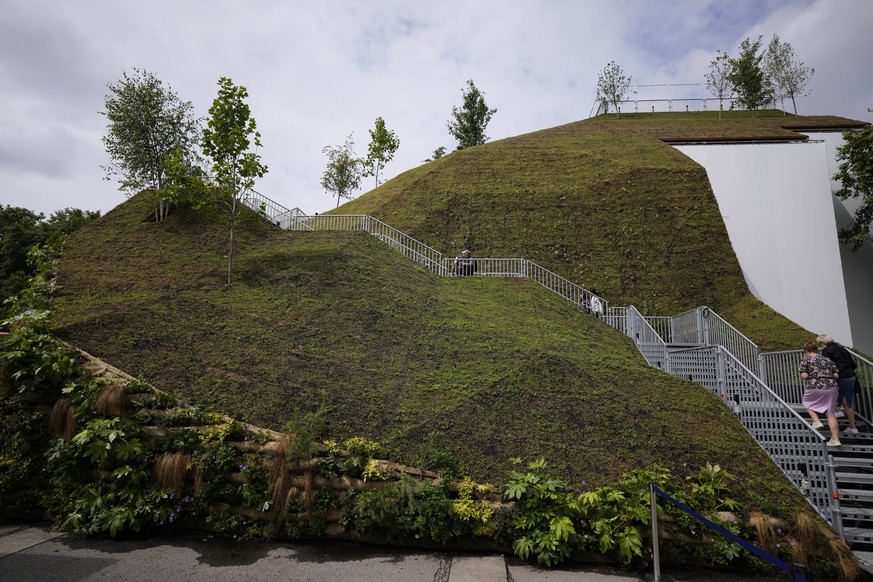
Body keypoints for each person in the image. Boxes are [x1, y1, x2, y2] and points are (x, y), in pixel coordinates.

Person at [799, 340, 841, 446]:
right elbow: (836, 375)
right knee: (831, 413)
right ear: (816, 350)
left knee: (806, 402)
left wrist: (810, 375)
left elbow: (804, 376)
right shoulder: (827, 359)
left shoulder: (806, 360)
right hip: (831, 387)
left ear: (806, 351)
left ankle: (816, 421)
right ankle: (835, 439)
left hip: (815, 386)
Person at [818, 334, 859, 435]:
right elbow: (853, 364)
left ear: (823, 342)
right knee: (848, 402)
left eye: (820, 343)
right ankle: (853, 427)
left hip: (839, 377)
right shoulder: (843, 349)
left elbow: (827, 366)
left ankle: (837, 411)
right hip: (851, 377)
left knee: (829, 396)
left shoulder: (826, 350)